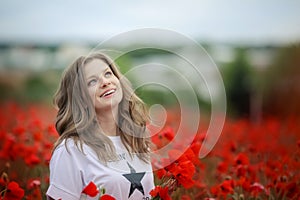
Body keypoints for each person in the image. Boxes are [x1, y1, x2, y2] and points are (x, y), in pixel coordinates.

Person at [46, 52, 154, 200]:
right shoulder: (71, 150)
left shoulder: (136, 140)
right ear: (80, 99)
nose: (105, 82)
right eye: (92, 82)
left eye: (108, 74)